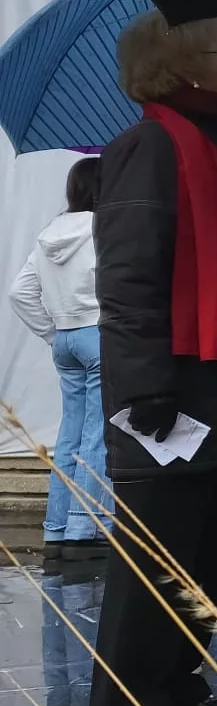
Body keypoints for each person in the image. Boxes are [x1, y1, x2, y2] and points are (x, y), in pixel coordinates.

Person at [87, 13, 217, 706]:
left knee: (201, 554)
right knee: (155, 560)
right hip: (169, 402)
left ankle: (179, 682)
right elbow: (131, 281)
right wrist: (146, 391)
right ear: (184, 68)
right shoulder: (147, 149)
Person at [9, 158, 111, 560]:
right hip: (99, 333)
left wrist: (53, 333)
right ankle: (84, 530)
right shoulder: (102, 230)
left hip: (66, 340)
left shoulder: (49, 233)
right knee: (97, 435)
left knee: (69, 435)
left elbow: (20, 292)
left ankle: (57, 529)